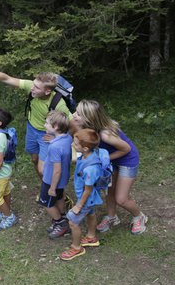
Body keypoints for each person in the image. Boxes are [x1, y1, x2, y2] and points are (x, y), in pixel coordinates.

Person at [0, 64, 72, 178]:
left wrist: (57, 138)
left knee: (43, 170)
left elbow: (73, 124)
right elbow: (6, 78)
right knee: (34, 159)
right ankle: (44, 188)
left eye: (37, 87)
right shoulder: (31, 87)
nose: (32, 88)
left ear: (47, 91)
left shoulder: (59, 104)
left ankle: (57, 193)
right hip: (31, 129)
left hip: (45, 134)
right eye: (33, 84)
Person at [72, 99, 148, 234]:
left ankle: (139, 216)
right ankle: (112, 217)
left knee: (121, 199)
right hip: (109, 159)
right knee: (109, 191)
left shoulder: (105, 135)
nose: (73, 115)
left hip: (126, 160)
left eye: (78, 114)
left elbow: (126, 149)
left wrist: (102, 160)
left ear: (88, 118)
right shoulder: (86, 127)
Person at [60, 129, 104, 260]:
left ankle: (76, 248)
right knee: (91, 213)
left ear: (84, 148)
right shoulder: (88, 154)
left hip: (86, 199)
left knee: (73, 221)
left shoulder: (90, 169)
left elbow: (88, 190)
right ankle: (91, 237)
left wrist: (78, 206)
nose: (73, 145)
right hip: (89, 199)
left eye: (76, 144)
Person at [39, 111, 73, 239]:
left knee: (46, 203)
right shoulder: (67, 138)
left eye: (47, 123)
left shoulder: (54, 147)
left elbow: (57, 170)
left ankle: (61, 224)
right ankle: (62, 216)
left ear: (56, 127)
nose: (44, 125)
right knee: (59, 198)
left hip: (51, 180)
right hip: (62, 179)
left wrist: (52, 188)